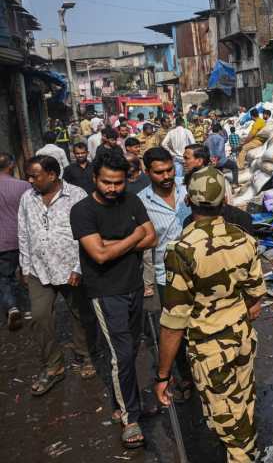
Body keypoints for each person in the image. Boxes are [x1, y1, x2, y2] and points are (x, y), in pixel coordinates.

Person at [155, 166, 265, 463]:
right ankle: (246, 449)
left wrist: (163, 375)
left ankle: (244, 456)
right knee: (243, 402)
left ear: (188, 201)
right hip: (242, 338)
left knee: (224, 417)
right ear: (223, 200)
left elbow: (174, 322)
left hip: (209, 349)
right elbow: (256, 295)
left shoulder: (182, 251)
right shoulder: (244, 240)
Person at [70, 151, 156, 449]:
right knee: (121, 354)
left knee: (131, 350)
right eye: (106, 182)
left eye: (118, 183)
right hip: (106, 291)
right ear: (94, 178)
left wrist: (114, 243)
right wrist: (134, 237)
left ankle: (125, 402)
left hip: (133, 285)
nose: (112, 188)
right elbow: (99, 254)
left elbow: (152, 237)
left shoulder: (132, 200)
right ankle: (130, 418)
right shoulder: (82, 211)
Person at [18, 155, 96, 396]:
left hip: (71, 268)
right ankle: (54, 365)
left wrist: (78, 267)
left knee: (79, 313)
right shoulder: (27, 198)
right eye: (28, 175)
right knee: (40, 317)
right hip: (39, 269)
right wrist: (25, 265)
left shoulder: (77, 195)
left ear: (52, 175)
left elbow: (87, 234)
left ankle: (85, 356)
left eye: (34, 175)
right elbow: (23, 231)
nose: (29, 180)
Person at [137, 148, 194, 393]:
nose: (167, 176)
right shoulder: (141, 200)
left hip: (198, 269)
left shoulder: (188, 188)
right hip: (166, 274)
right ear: (147, 172)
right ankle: (184, 377)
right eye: (159, 172)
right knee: (174, 328)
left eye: (170, 169)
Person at [0, 152, 30, 331]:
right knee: (28, 273)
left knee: (5, 277)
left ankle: (12, 306)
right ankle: (30, 307)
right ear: (11, 165)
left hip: (2, 242)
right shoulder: (24, 186)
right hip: (23, 238)